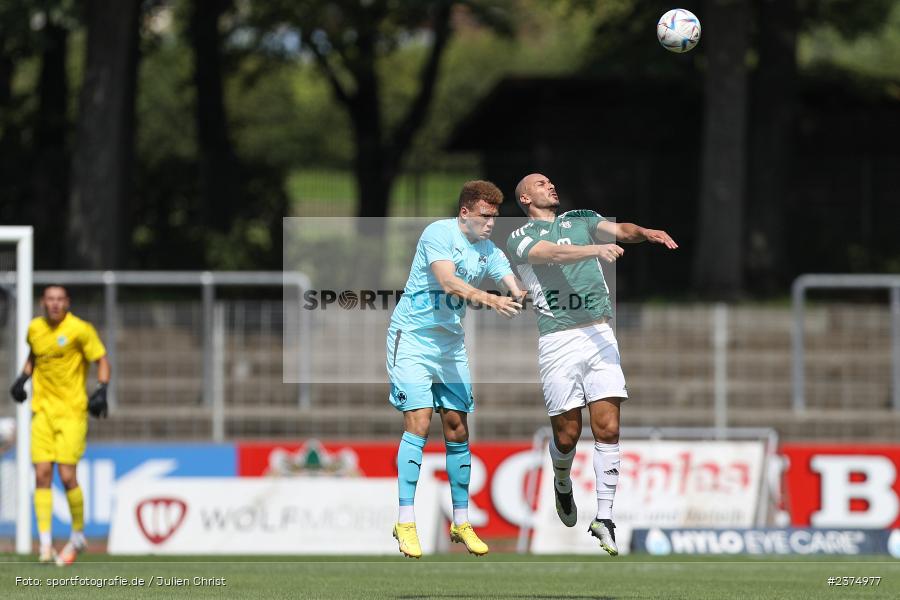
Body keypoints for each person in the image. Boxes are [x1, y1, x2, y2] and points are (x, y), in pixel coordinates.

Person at [506, 173, 677, 556]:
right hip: (558, 340)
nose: (550, 185)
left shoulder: (581, 218)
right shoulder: (518, 237)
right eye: (540, 184)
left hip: (600, 334)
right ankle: (562, 481)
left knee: (609, 427)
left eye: (550, 181)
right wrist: (593, 252)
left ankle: (604, 517)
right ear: (524, 198)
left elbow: (619, 229)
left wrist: (644, 232)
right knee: (567, 436)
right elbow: (548, 254)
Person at [388, 180, 525, 559]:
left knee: (457, 426)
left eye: (495, 217)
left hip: (450, 344)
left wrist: (526, 293)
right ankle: (405, 520)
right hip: (413, 339)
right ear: (465, 212)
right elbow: (448, 281)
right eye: (485, 216)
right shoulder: (438, 232)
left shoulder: (488, 250)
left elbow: (513, 284)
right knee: (418, 421)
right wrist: (489, 300)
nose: (490, 223)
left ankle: (461, 520)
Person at [9, 285, 110, 565]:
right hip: (42, 412)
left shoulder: (80, 329)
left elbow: (101, 359)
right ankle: (44, 544)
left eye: (60, 300)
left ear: (67, 302)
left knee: (67, 477)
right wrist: (22, 379)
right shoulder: (35, 329)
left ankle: (77, 534)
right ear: (43, 302)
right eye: (50, 299)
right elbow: (34, 356)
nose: (54, 304)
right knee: (41, 475)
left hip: (71, 413)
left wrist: (101, 390)